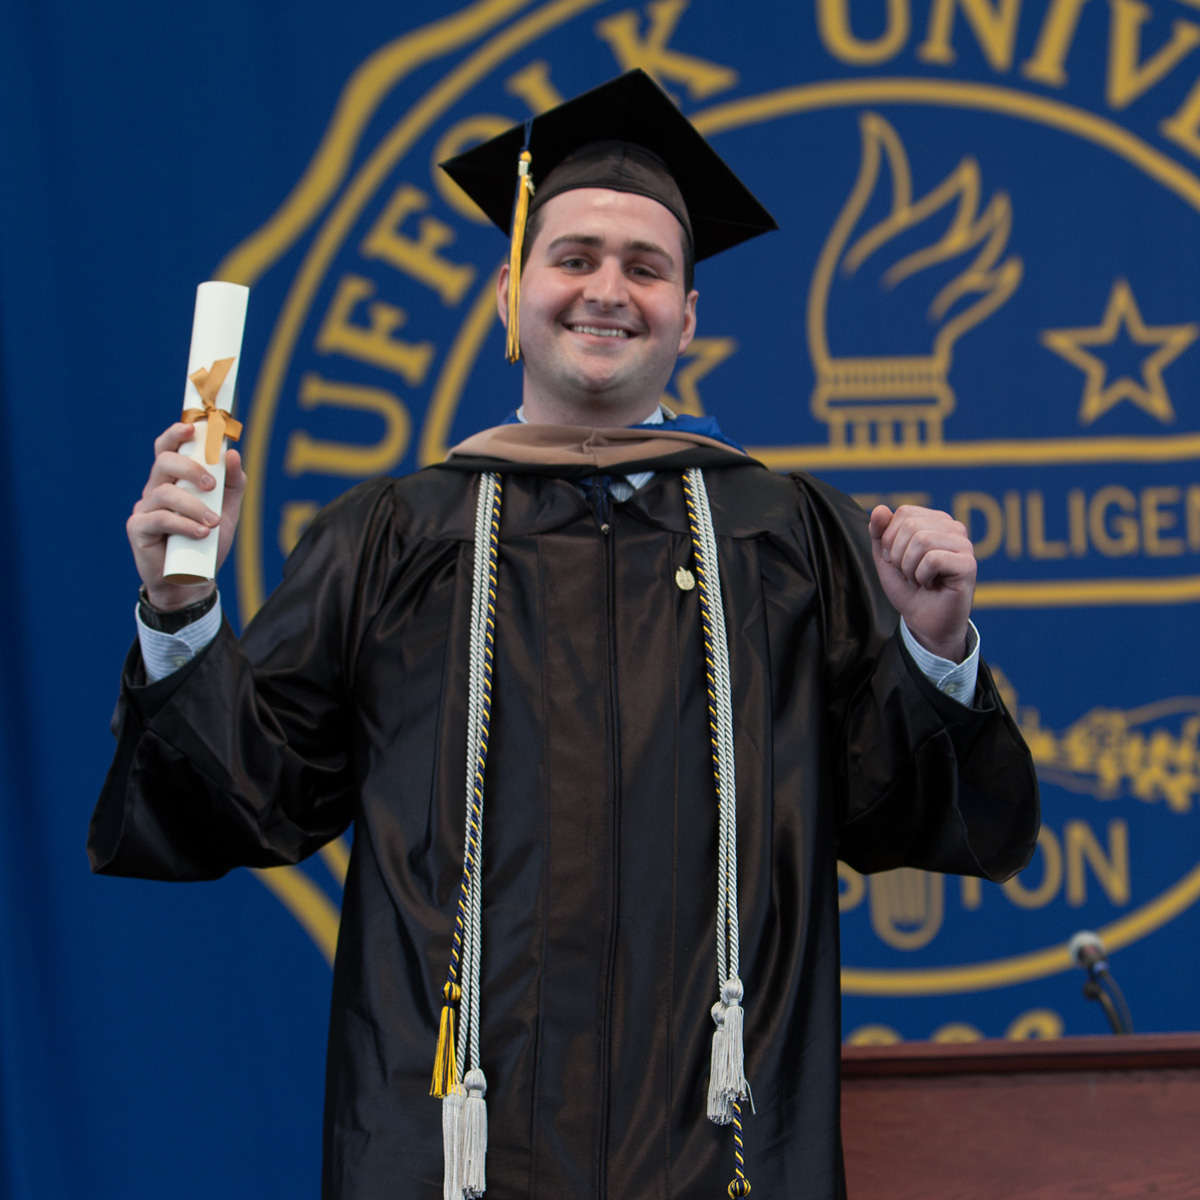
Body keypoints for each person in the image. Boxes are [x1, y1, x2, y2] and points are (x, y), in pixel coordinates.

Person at [92, 71, 1038, 1200]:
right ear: (511, 293)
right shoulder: (391, 536)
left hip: (720, 1147)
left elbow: (905, 812)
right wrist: (181, 611)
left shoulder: (790, 535)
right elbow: (251, 799)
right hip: (452, 1141)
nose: (608, 289)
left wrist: (934, 650)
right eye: (575, 257)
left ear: (689, 314)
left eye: (646, 267)